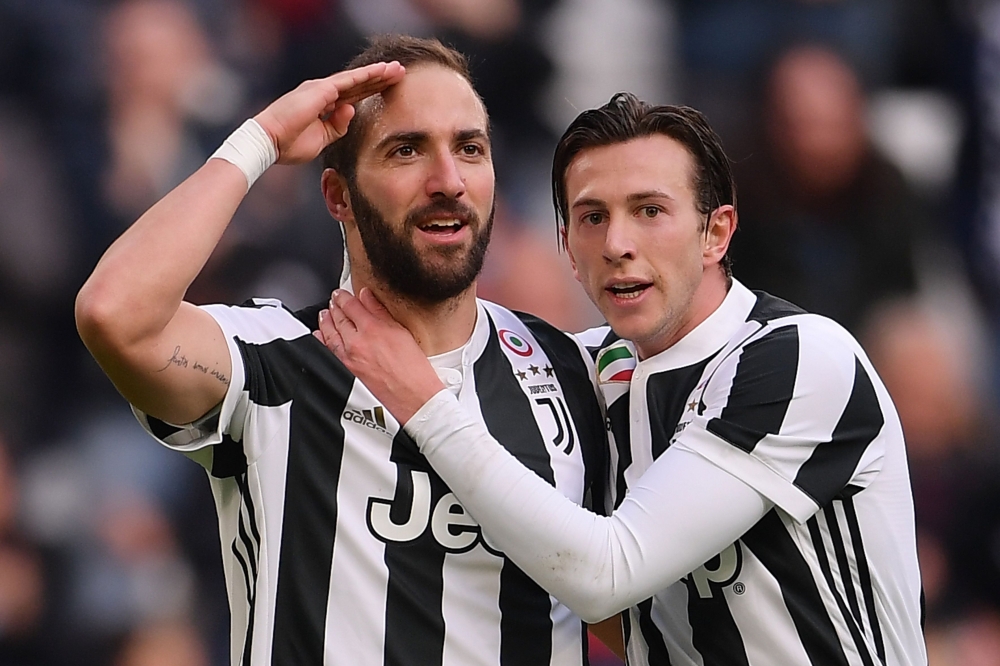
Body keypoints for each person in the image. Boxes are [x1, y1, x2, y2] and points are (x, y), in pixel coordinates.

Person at [317, 93, 928, 665]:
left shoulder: (800, 360)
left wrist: (422, 402)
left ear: (716, 232)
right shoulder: (578, 374)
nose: (617, 244)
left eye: (650, 211)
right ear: (567, 247)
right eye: (591, 217)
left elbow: (604, 576)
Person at [75, 35, 610, 666]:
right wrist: (262, 140)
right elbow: (115, 314)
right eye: (406, 150)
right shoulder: (276, 363)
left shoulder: (575, 373)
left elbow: (633, 602)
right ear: (338, 196)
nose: (449, 181)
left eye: (470, 148)